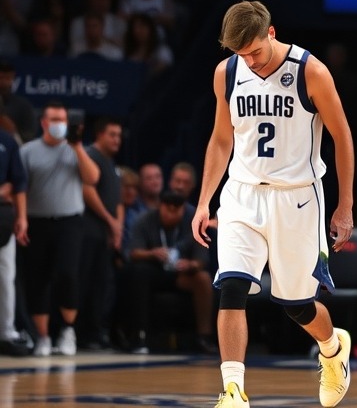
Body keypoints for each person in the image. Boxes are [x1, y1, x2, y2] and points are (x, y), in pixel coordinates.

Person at [192, 0, 355, 408]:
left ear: (271, 32)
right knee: (231, 286)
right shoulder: (226, 73)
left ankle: (333, 349)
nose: (248, 61)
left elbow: (343, 137)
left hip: (297, 197)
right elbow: (220, 139)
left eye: (254, 52)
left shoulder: (309, 71)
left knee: (297, 305)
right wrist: (203, 202)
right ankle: (232, 390)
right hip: (242, 193)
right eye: (239, 54)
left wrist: (345, 204)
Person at [19, 101, 100, 356]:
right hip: (37, 221)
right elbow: (21, 187)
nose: (59, 125)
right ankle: (42, 336)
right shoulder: (28, 151)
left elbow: (92, 178)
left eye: (63, 120)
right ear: (44, 122)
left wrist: (76, 146)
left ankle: (68, 329)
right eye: (54, 120)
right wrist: (21, 219)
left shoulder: (76, 149)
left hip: (69, 221)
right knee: (38, 279)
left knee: (67, 274)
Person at [126, 190, 213, 354]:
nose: (171, 213)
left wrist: (190, 264)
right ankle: (139, 335)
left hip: (181, 274)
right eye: (168, 208)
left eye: (176, 209)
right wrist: (152, 253)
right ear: (161, 206)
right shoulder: (145, 220)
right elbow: (133, 252)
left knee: (203, 278)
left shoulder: (193, 220)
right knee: (138, 272)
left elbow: (201, 260)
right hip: (154, 271)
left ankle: (204, 337)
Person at [79, 117, 124, 350]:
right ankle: (82, 334)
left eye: (119, 135)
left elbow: (118, 200)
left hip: (106, 234)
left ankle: (97, 333)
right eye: (112, 135)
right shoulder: (90, 155)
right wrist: (110, 221)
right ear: (99, 135)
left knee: (103, 286)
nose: (117, 140)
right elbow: (88, 190)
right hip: (89, 230)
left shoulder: (112, 163)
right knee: (85, 283)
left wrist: (118, 227)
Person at [0, 129, 28, 357]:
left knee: (5, 276)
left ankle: (6, 332)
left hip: (3, 216)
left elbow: (17, 183)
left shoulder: (7, 142)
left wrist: (22, 217)